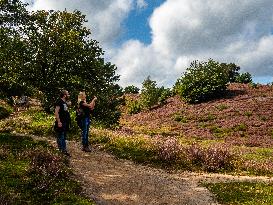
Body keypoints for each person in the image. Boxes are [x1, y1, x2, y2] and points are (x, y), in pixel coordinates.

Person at [54, 90, 71, 156]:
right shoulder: (59, 102)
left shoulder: (65, 102)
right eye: (68, 94)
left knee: (63, 136)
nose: (69, 95)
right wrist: (59, 121)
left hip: (65, 122)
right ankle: (62, 151)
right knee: (60, 136)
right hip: (61, 122)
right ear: (64, 95)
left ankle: (63, 150)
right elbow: (56, 112)